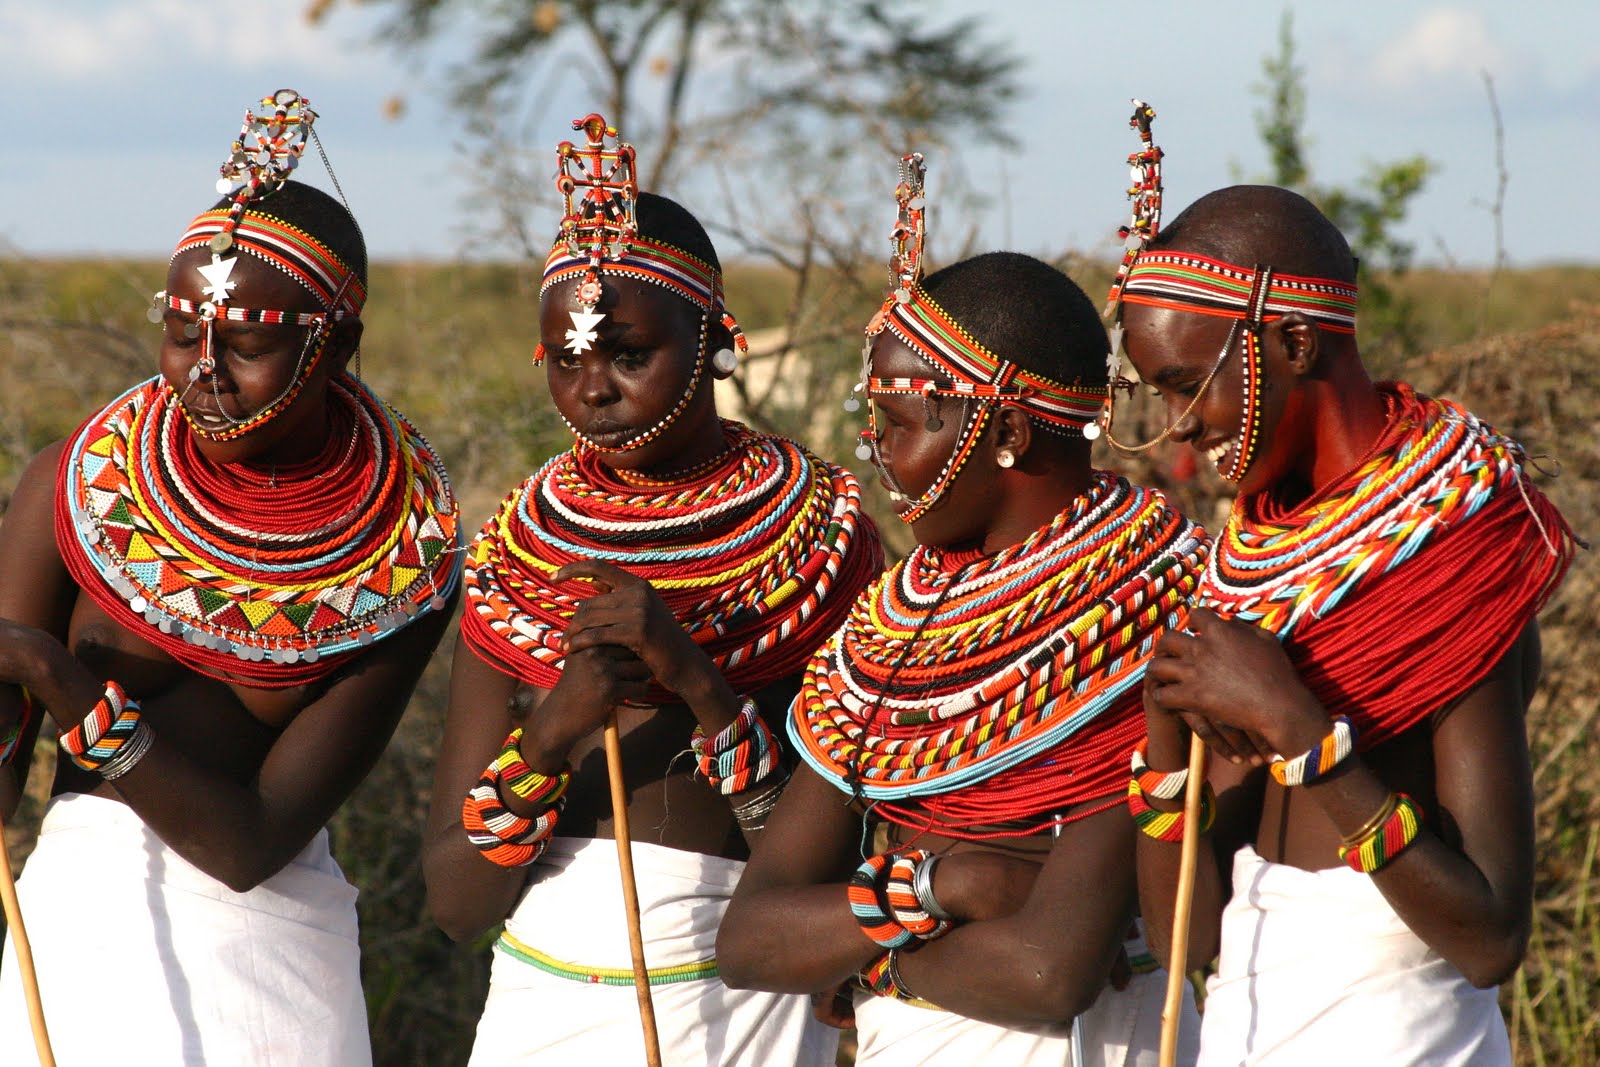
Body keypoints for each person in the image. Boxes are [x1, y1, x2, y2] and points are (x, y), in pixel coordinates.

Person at [1105, 107, 1579, 1065]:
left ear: (1293, 345)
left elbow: (1491, 937)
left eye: (1186, 384)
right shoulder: (1255, 561)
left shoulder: (1450, 557)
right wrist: (1162, 727)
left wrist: (1303, 737)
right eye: (1156, 391)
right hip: (1248, 1024)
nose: (1173, 428)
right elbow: (1185, 941)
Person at [0, 89, 461, 1065]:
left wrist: (62, 681)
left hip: (266, 957)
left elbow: (253, 843)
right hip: (79, 935)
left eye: (246, 341)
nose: (203, 368)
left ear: (334, 345)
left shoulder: (403, 557)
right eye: (182, 333)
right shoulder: (68, 488)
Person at [717, 155, 1207, 1066]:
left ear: (1009, 433)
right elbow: (751, 940)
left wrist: (869, 964)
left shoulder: (1150, 622)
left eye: (901, 424)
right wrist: (955, 881)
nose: (877, 453)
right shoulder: (884, 642)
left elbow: (1050, 970)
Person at [421, 114, 881, 1066]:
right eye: (567, 358)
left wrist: (701, 684)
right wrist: (551, 732)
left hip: (733, 1002)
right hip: (539, 1007)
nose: (594, 389)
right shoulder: (515, 559)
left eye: (629, 354)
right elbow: (457, 903)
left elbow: (836, 866)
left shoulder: (824, 549)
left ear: (713, 336)